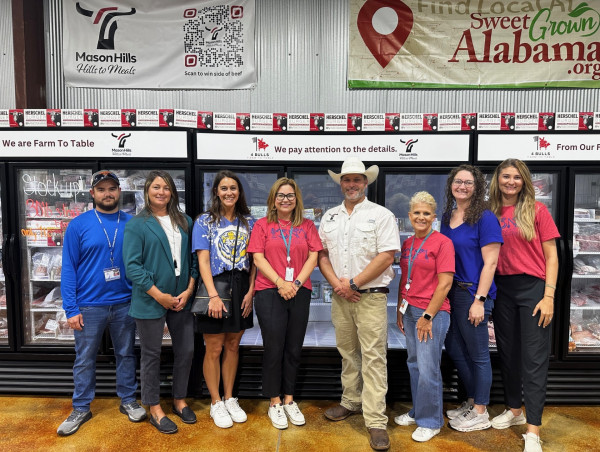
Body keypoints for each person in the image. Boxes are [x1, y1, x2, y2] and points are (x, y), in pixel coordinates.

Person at [318, 157, 400, 451]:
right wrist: (339, 286)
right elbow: (322, 255)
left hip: (371, 297)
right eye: (347, 179)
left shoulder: (381, 215)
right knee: (348, 353)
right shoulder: (329, 217)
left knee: (374, 357)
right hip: (341, 297)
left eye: (357, 179)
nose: (351, 184)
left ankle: (376, 420)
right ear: (340, 183)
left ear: (366, 183)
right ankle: (350, 402)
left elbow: (386, 256)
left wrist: (353, 283)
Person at [58, 170, 146, 436]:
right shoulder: (78, 225)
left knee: (126, 355)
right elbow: (68, 268)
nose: (107, 193)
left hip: (125, 303)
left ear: (119, 192)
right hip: (89, 306)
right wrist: (70, 308)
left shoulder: (133, 223)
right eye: (102, 189)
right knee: (84, 359)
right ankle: (81, 407)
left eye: (112, 188)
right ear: (92, 194)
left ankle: (128, 401)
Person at [488, 159, 559, 452]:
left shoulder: (537, 210)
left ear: (524, 181)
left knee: (533, 360)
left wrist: (549, 296)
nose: (511, 181)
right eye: (506, 176)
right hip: (502, 289)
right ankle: (514, 410)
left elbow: (552, 257)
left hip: (533, 290)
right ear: (498, 179)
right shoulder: (489, 211)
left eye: (517, 177)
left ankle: (533, 430)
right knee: (508, 354)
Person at [123, 170, 199, 434]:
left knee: (186, 350)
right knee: (152, 354)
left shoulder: (185, 221)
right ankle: (154, 407)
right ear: (147, 191)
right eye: (156, 187)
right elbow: (132, 267)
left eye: (166, 188)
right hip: (151, 300)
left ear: (172, 192)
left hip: (181, 299)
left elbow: (192, 262)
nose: (161, 192)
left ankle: (179, 400)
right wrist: (159, 295)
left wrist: (189, 291)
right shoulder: (137, 224)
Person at [247, 177, 322, 430]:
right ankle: (274, 401)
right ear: (273, 199)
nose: (285, 199)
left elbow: (314, 256)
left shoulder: (308, 226)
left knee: (293, 347)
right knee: (274, 347)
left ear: (296, 199)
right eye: (281, 195)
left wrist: (296, 284)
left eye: (290, 195)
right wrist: (280, 282)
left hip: (299, 291)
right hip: (270, 291)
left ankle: (289, 399)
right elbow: (258, 258)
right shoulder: (262, 225)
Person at [440, 165, 503, 431]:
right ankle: (471, 400)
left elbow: (490, 263)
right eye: (458, 181)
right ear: (451, 185)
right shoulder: (447, 216)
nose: (462, 186)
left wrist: (480, 299)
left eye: (468, 182)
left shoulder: (485, 217)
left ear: (477, 187)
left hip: (472, 293)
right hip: (451, 291)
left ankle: (480, 410)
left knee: (478, 354)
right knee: (455, 348)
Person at [192, 171, 256, 429]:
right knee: (214, 347)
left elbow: (255, 262)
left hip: (241, 286)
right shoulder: (204, 221)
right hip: (215, 285)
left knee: (233, 345)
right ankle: (216, 402)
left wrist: (251, 292)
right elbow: (203, 261)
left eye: (233, 188)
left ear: (239, 192)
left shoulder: (249, 221)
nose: (229, 192)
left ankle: (230, 397)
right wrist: (213, 296)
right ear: (216, 192)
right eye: (224, 188)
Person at [394, 191, 455, 443]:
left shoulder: (442, 243)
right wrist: (400, 309)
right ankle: (419, 410)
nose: (421, 217)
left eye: (426, 213)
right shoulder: (408, 243)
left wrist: (428, 316)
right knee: (414, 363)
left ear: (433, 217)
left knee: (429, 368)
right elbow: (404, 279)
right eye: (416, 213)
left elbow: (445, 283)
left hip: (432, 312)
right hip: (410, 311)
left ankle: (431, 421)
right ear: (409, 216)